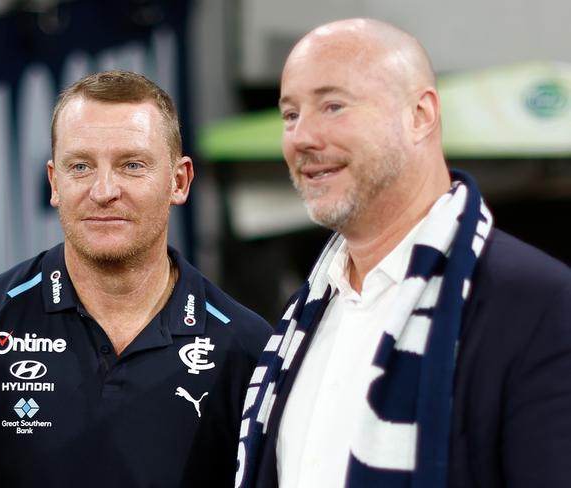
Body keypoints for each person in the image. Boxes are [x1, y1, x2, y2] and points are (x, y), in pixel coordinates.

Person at [236, 18, 571, 488]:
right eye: (290, 115)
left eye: (333, 106)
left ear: (420, 115)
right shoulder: (298, 321)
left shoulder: (539, 304)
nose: (302, 137)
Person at [0, 70, 271, 488]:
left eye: (132, 165)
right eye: (81, 166)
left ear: (179, 181)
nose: (104, 190)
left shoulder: (249, 349)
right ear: (54, 182)